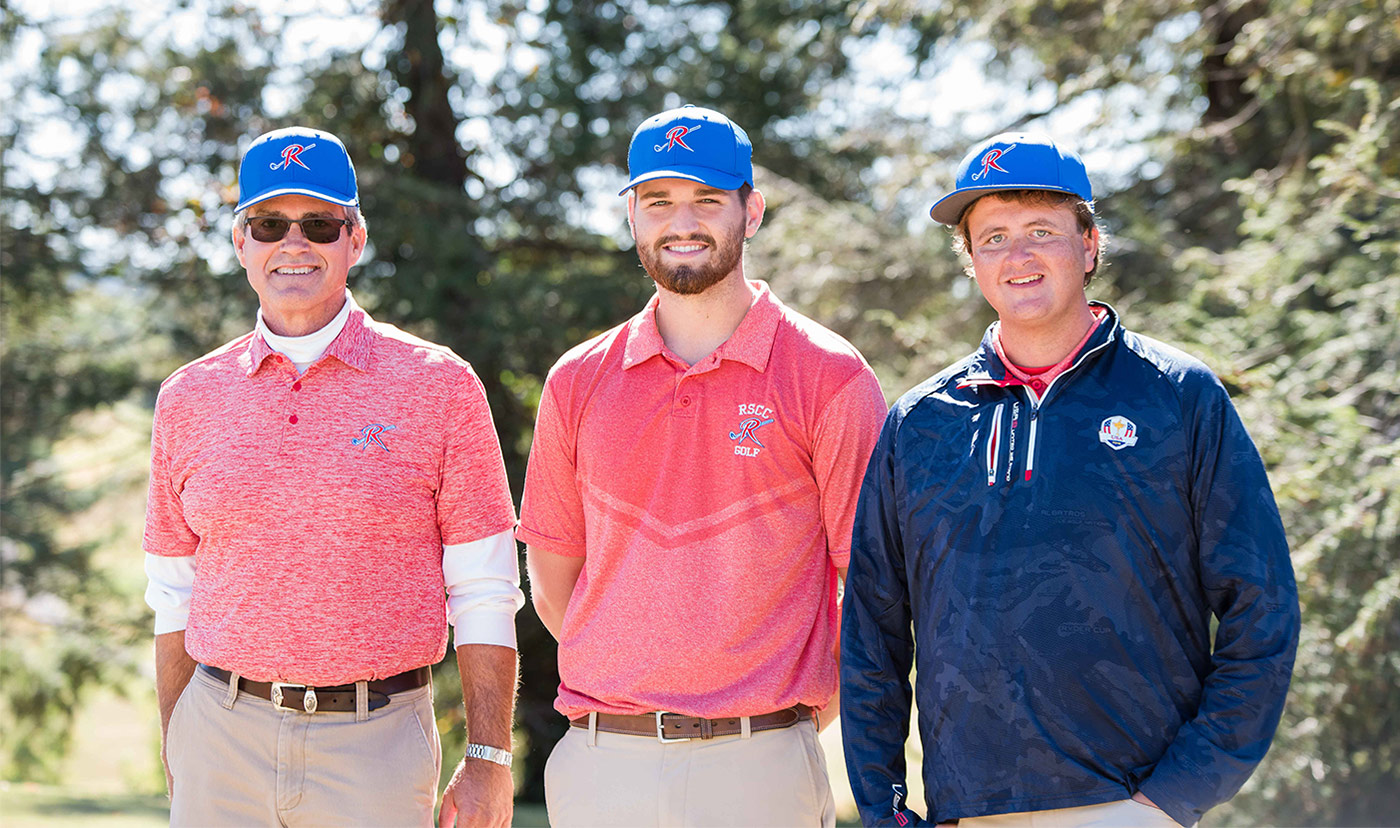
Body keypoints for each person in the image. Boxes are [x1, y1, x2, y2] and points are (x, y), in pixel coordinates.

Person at [840, 133, 1300, 828]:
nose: (1017, 256)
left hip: (1131, 807)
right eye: (992, 237)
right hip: (969, 813)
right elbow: (873, 635)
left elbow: (1261, 609)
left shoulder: (1176, 397)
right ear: (970, 262)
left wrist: (1173, 797)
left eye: (1041, 231)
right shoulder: (920, 425)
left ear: (1088, 246)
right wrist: (883, 809)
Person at [517, 105, 888, 827]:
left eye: (708, 201)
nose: (681, 222)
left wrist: (779, 718)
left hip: (761, 763)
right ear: (632, 216)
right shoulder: (576, 381)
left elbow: (872, 588)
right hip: (603, 766)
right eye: (659, 202)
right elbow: (555, 587)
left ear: (751, 212)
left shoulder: (830, 376)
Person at [142, 126, 523, 828]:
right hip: (218, 739)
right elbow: (174, 596)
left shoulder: (440, 386)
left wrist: (490, 757)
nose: (294, 243)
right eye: (268, 223)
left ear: (355, 239)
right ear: (240, 243)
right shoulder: (188, 397)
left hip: (375, 744)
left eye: (319, 223)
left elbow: (485, 590)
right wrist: (178, 746)